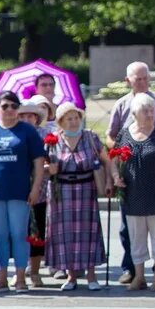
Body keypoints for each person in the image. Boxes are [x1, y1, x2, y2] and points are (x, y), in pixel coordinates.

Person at [106, 62, 155, 284]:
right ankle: (132, 270)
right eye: (137, 78)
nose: (141, 82)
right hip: (131, 187)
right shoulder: (122, 105)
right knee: (129, 231)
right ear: (128, 80)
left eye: (144, 78)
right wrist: (120, 151)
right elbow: (111, 138)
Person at [0, 90, 47, 293]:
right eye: (5, 106)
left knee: (19, 234)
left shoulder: (27, 131)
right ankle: (1, 278)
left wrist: (35, 188)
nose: (10, 110)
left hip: (20, 192)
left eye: (14, 106)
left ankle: (21, 277)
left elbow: (39, 162)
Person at [44, 102, 111, 291]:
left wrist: (109, 181)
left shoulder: (90, 137)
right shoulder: (52, 140)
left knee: (87, 233)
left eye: (76, 118)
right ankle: (71, 276)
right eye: (69, 119)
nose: (73, 122)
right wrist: (49, 169)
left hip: (86, 190)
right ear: (60, 122)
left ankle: (91, 276)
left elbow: (106, 160)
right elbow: (41, 166)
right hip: (61, 192)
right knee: (66, 235)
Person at [18, 100, 52, 286]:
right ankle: (19, 270)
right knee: (18, 232)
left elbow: (52, 158)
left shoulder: (46, 135)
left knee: (37, 230)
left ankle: (35, 271)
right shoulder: (14, 134)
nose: (26, 119)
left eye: (30, 115)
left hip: (40, 189)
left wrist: (45, 167)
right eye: (22, 115)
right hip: (18, 189)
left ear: (37, 118)